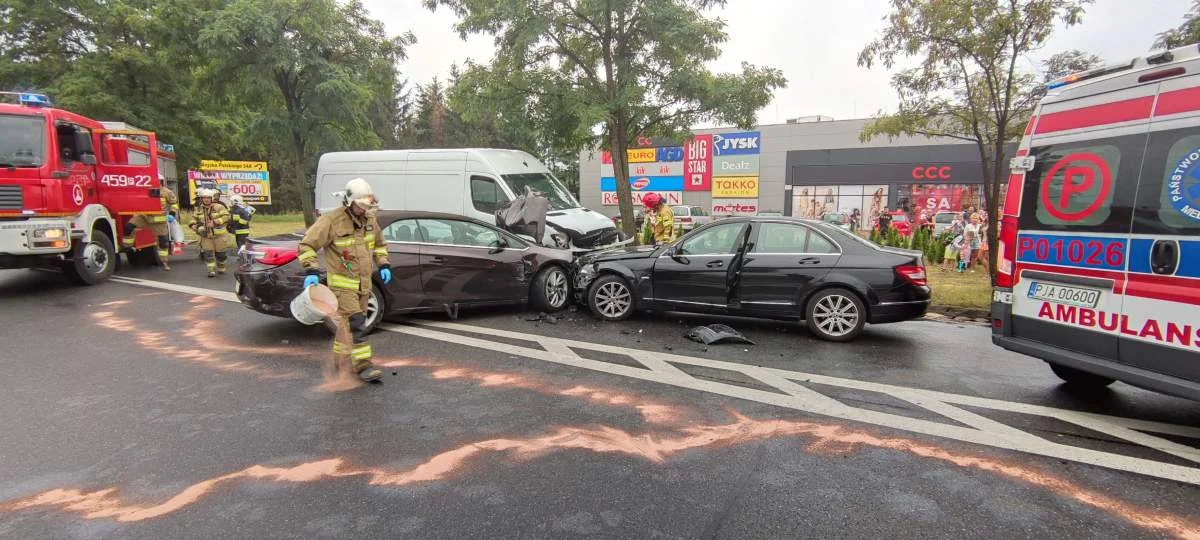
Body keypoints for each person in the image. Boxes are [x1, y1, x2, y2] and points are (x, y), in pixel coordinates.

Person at [298, 178, 391, 383]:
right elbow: (306, 246)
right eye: (361, 205)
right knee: (357, 323)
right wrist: (311, 270)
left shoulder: (369, 219)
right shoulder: (331, 220)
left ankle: (340, 363)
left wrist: (383, 263)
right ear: (349, 202)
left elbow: (380, 245)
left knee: (346, 327)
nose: (364, 210)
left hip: (364, 285)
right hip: (342, 286)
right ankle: (363, 366)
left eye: (367, 206)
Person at [121, 173, 178, 271]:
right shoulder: (144, 190)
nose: (156, 183)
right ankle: (128, 248)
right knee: (129, 227)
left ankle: (164, 262)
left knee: (163, 242)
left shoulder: (167, 192)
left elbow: (174, 203)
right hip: (143, 217)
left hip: (159, 221)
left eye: (158, 181)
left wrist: (172, 214)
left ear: (161, 181)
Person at [190, 188, 231, 277]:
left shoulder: (219, 207)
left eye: (208, 198)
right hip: (206, 236)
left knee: (221, 255)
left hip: (219, 236)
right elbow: (193, 218)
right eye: (204, 198)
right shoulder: (199, 209)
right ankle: (211, 270)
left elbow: (227, 216)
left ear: (211, 198)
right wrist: (192, 225)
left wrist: (215, 222)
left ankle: (221, 267)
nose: (206, 199)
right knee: (208, 254)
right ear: (202, 199)